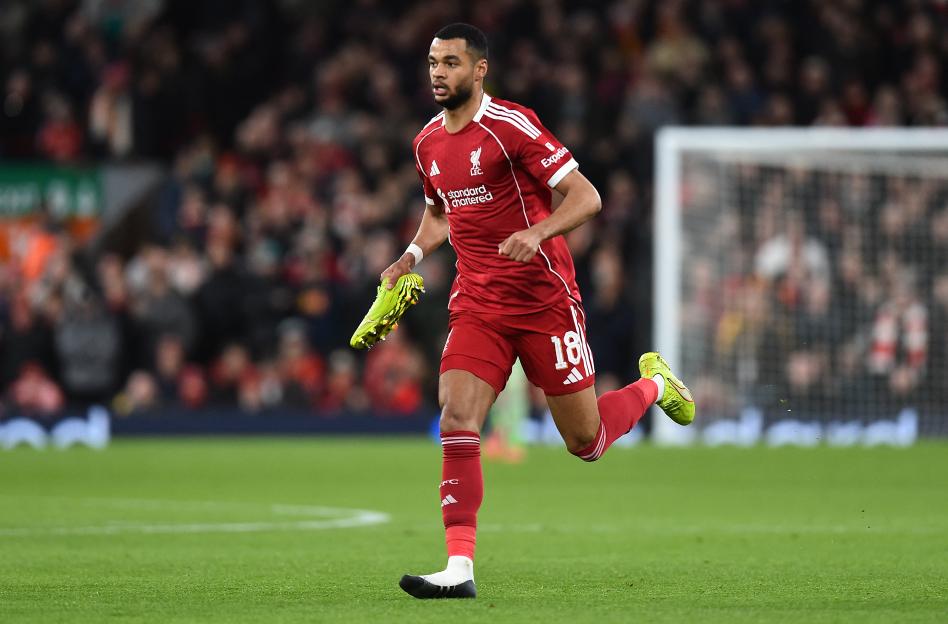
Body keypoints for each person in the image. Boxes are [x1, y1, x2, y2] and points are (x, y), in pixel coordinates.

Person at [379, 24, 695, 599]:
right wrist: (408, 255)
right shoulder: (426, 141)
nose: (437, 73)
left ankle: (654, 384)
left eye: (450, 63)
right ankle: (459, 567)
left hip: (545, 304)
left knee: (586, 442)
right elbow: (439, 214)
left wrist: (539, 231)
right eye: (432, 62)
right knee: (456, 416)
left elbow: (587, 196)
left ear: (479, 71)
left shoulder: (510, 127)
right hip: (477, 304)